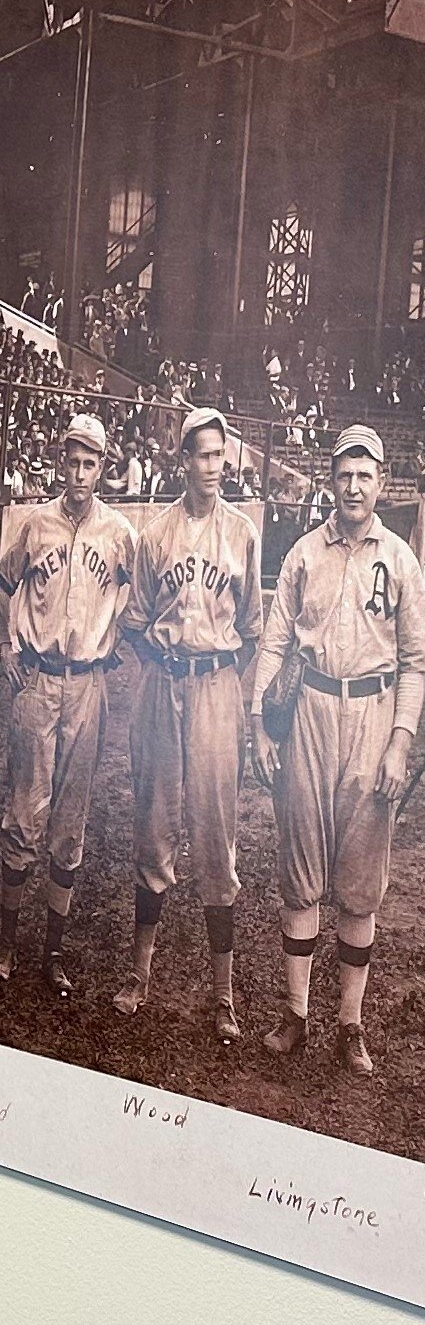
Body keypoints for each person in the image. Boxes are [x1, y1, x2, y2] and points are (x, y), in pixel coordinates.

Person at [252, 426, 425, 1075]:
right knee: (300, 870)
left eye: (366, 475)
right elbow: (274, 644)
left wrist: (401, 742)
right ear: (331, 481)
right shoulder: (304, 552)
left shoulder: (403, 559)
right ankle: (297, 1014)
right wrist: (260, 721)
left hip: (373, 713)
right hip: (310, 711)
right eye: (344, 475)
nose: (354, 486)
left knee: (359, 885)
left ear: (381, 481)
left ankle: (350, 1024)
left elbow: (416, 662)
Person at [113, 407, 262, 1040]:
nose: (213, 466)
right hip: (163, 684)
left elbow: (252, 625)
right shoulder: (157, 533)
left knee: (216, 830)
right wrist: (165, 663)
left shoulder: (243, 532)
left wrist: (222, 679)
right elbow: (136, 618)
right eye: (202, 455)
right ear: (184, 460)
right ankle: (140, 974)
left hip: (217, 686)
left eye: (220, 455)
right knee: (154, 823)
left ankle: (223, 993)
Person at [0, 415, 136, 995]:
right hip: (38, 678)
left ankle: (53, 951)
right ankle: (5, 945)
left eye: (90, 463)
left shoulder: (119, 533)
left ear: (102, 467)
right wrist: (6, 644)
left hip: (87, 686)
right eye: (72, 461)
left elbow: (139, 593)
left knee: (71, 820)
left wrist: (116, 636)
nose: (80, 473)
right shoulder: (34, 525)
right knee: (24, 815)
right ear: (61, 461)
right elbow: (5, 584)